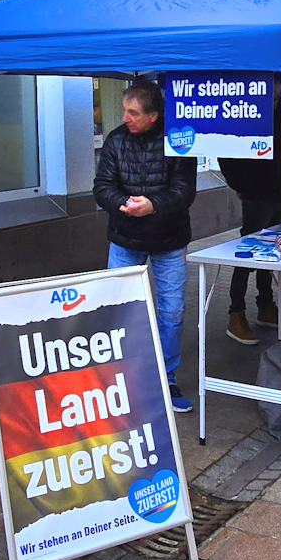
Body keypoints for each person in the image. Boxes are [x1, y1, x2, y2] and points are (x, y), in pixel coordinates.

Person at [95, 78, 199, 411]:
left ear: (154, 116)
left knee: (171, 312)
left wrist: (153, 205)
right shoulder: (115, 140)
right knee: (120, 308)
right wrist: (123, 203)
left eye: (133, 112)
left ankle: (165, 379)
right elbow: (102, 187)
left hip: (170, 240)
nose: (125, 117)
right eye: (124, 110)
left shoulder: (179, 140)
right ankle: (123, 378)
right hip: (125, 239)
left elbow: (185, 190)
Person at [216, 94, 281, 344]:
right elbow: (225, 150)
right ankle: (236, 313)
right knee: (247, 253)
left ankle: (265, 305)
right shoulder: (248, 108)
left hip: (280, 193)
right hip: (256, 194)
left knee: (269, 251)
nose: (277, 88)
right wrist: (242, 186)